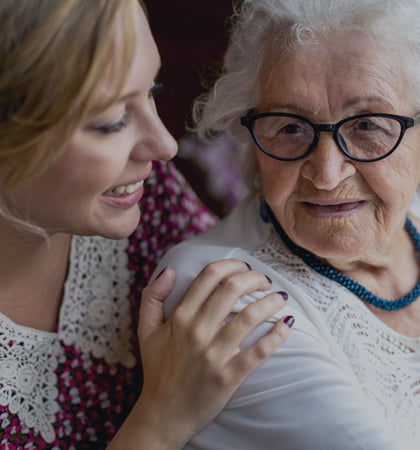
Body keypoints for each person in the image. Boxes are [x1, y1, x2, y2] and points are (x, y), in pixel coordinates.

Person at [0, 1, 295, 448]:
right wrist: (159, 421)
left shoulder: (138, 199)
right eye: (112, 121)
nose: (164, 145)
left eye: (151, 89)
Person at [154, 0, 420, 448]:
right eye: (291, 127)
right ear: (250, 137)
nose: (328, 173)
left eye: (368, 125)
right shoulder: (222, 292)